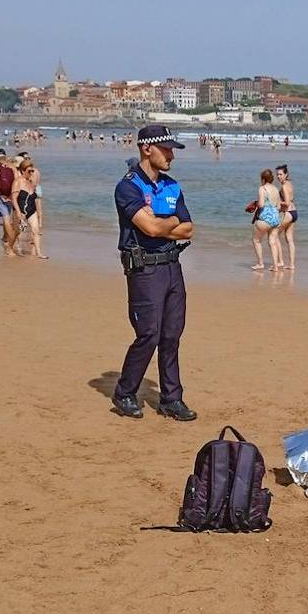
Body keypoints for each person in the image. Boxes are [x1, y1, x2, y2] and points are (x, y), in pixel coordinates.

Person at [111, 125, 196, 421]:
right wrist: (169, 223)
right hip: (144, 269)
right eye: (167, 149)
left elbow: (189, 228)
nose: (172, 154)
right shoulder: (128, 187)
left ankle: (171, 398)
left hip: (172, 266)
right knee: (149, 334)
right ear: (147, 149)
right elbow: (149, 228)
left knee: (172, 335)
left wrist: (164, 222)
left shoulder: (172, 186)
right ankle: (124, 391)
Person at [12, 157, 47, 258]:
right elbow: (14, 198)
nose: (31, 173)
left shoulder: (32, 182)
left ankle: (39, 253)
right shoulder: (18, 182)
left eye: (33, 170)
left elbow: (35, 198)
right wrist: (18, 212)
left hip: (31, 210)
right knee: (18, 232)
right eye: (29, 171)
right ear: (23, 171)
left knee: (35, 230)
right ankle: (13, 247)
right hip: (20, 210)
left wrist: (38, 210)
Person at [250, 169, 284, 271]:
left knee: (256, 240)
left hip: (265, 218)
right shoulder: (275, 189)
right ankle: (275, 266)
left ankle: (260, 264)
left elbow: (261, 205)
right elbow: (278, 206)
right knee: (272, 242)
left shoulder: (262, 189)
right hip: (275, 218)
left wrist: (256, 204)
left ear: (263, 179)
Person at [0, 148, 20, 257]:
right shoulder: (11, 165)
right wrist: (13, 194)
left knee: (6, 218)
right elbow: (17, 179)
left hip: (1, 196)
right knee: (9, 216)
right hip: (11, 195)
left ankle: (10, 239)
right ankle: (5, 236)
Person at [276, 164, 297, 269]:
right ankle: (292, 265)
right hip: (294, 213)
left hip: (288, 213)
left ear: (286, 174)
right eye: (277, 174)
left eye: (280, 174)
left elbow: (287, 203)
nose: (278, 176)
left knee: (274, 235)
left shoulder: (284, 186)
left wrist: (277, 204)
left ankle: (280, 262)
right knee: (290, 239)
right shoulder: (290, 183)